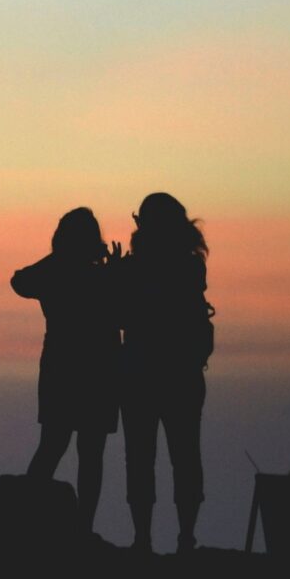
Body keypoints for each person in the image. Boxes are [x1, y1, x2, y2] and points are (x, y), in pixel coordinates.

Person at [10, 207, 119, 530]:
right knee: (88, 452)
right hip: (98, 369)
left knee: (55, 445)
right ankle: (82, 525)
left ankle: (28, 518)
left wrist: (59, 258)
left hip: (63, 367)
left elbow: (21, 280)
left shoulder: (56, 273)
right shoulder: (102, 276)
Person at [117, 191, 212, 552]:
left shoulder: (135, 268)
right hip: (182, 373)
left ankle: (143, 538)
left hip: (140, 372)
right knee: (185, 455)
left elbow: (121, 313)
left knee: (140, 457)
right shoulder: (190, 266)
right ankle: (185, 537)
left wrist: (117, 272)